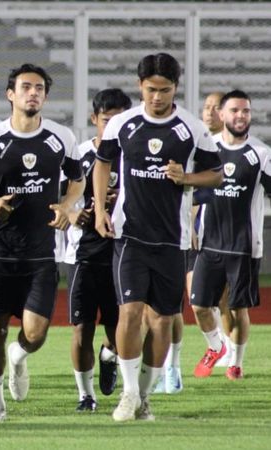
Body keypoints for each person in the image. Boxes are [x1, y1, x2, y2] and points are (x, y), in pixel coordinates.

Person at [92, 53, 222, 422]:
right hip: (129, 235)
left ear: (175, 88)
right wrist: (101, 209)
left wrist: (186, 178)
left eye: (164, 90)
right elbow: (102, 164)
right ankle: (129, 393)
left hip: (172, 239)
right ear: (140, 87)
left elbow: (215, 175)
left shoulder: (192, 128)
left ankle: (145, 396)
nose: (157, 97)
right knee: (130, 313)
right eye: (151, 90)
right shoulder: (122, 123)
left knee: (163, 321)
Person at [0, 63, 84, 423]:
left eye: (39, 88)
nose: (33, 93)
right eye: (26, 87)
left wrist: (66, 205)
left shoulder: (62, 137)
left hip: (42, 252)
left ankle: (20, 356)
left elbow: (77, 180)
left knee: (35, 333)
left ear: (45, 96)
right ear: (11, 95)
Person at [155, 90, 231, 395]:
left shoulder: (221, 151)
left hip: (210, 237)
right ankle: (180, 365)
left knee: (210, 302)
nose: (210, 112)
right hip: (175, 234)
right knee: (182, 305)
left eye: (216, 107)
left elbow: (211, 187)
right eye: (207, 107)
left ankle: (229, 353)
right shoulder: (188, 144)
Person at [190, 89, 268, 381]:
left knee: (238, 308)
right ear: (221, 115)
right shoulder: (208, 151)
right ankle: (216, 347)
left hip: (244, 247)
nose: (240, 116)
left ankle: (236, 362)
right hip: (210, 244)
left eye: (245, 111)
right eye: (234, 110)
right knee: (199, 305)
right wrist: (190, 226)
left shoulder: (261, 154)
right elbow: (193, 193)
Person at [64, 88, 131, 412]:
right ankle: (85, 395)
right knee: (81, 327)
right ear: (94, 119)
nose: (114, 126)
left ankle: (109, 354)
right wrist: (76, 213)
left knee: (121, 328)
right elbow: (61, 201)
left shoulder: (134, 155)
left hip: (123, 253)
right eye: (107, 120)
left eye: (120, 119)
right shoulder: (79, 155)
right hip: (84, 254)